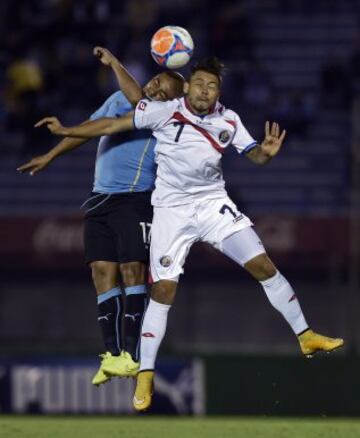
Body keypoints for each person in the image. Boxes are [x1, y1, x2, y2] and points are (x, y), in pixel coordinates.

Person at [34, 57, 344, 411]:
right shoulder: (162, 111)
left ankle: (306, 336)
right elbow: (113, 124)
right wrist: (66, 131)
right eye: (199, 83)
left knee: (264, 266)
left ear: (218, 92)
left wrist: (266, 153)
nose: (204, 90)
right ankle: (146, 375)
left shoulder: (229, 121)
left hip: (213, 206)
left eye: (211, 86)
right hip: (171, 211)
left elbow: (253, 155)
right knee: (163, 290)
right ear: (189, 87)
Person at [17, 47, 185, 387]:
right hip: (100, 200)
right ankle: (112, 356)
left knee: (132, 270)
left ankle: (134, 356)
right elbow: (92, 128)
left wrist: (113, 63)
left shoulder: (163, 114)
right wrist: (51, 154)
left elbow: (140, 99)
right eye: (155, 82)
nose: (155, 89)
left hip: (135, 200)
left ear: (171, 102)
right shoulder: (118, 99)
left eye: (164, 92)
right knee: (101, 272)